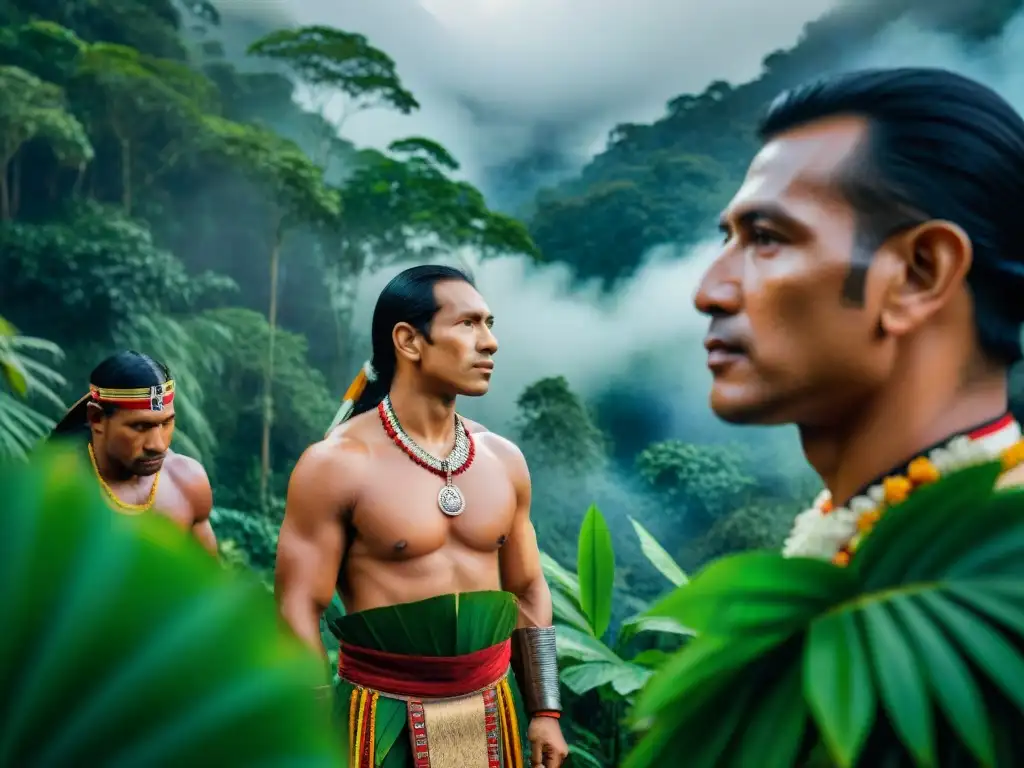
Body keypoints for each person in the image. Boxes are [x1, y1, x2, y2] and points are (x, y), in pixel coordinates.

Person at [694, 67, 1024, 565]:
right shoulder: (875, 550)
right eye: (730, 240)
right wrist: (535, 648)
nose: (708, 293)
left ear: (919, 274)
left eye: (765, 238)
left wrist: (534, 647)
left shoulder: (989, 584)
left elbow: (532, 590)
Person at [275, 265, 568, 768]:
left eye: (490, 323)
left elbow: (527, 587)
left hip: (490, 709)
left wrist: (545, 709)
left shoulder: (503, 460)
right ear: (409, 340)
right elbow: (298, 605)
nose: (490, 342)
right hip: (379, 718)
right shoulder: (335, 465)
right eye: (468, 324)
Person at [52, 350, 217, 555]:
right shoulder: (56, 493)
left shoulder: (187, 482)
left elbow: (208, 583)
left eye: (166, 423)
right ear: (97, 418)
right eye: (140, 426)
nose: (158, 445)